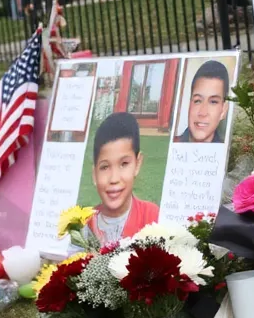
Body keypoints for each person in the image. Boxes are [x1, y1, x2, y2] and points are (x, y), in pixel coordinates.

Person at [85, 112, 159, 244]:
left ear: (137, 164)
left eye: (124, 164)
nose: (114, 179)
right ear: (94, 174)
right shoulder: (84, 227)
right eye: (105, 167)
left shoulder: (153, 218)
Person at [176, 60, 230, 143]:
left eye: (213, 102)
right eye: (197, 101)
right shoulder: (171, 144)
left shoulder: (228, 153)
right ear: (189, 104)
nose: (202, 113)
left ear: (223, 110)